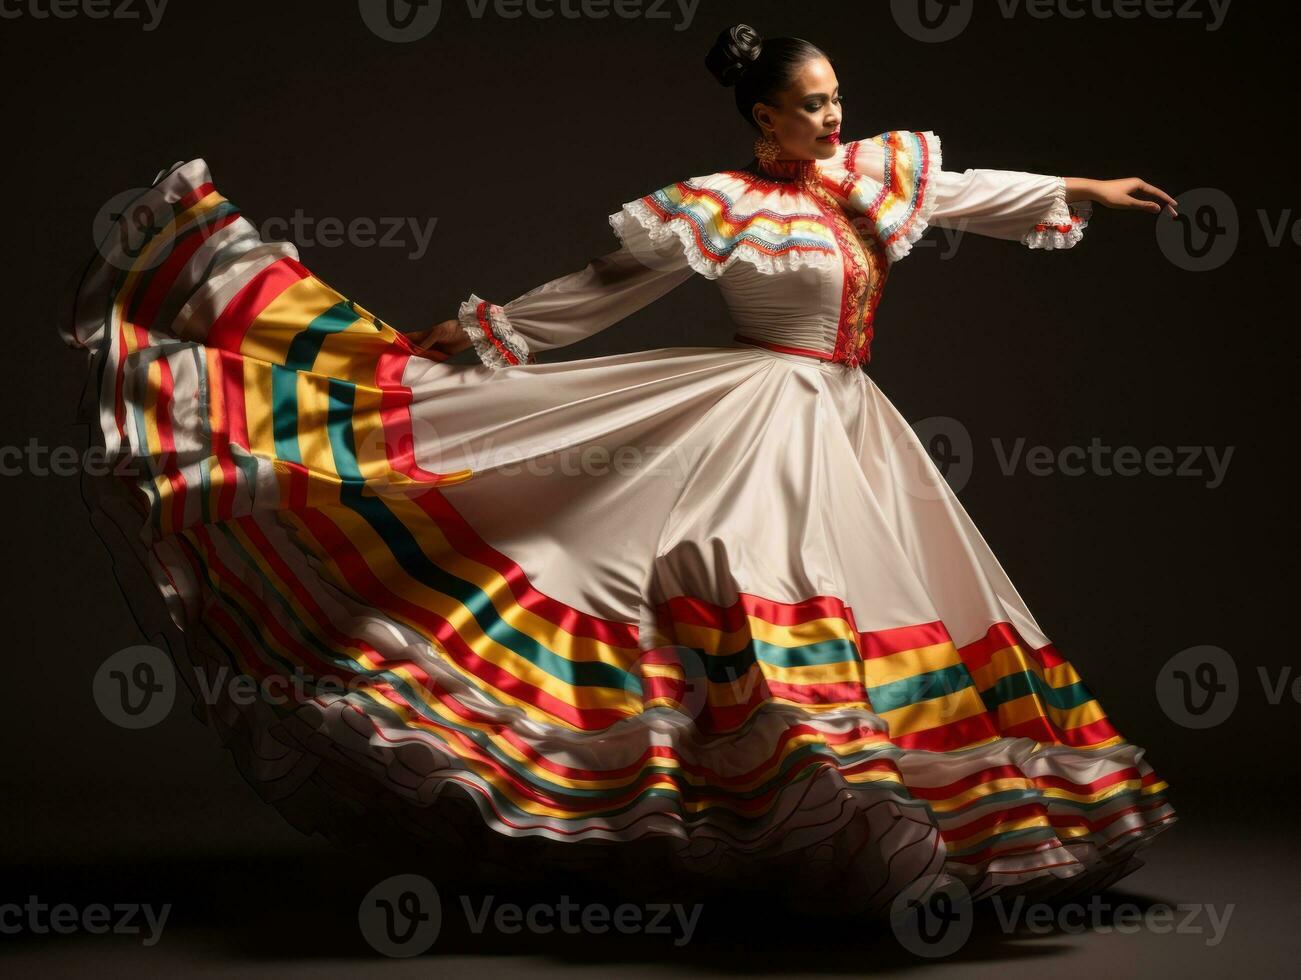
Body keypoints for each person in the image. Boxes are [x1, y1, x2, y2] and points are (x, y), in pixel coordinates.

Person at [60, 22, 1176, 914]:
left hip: (850, 424)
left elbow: (966, 188)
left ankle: (868, 820)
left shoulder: (870, 180)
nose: (836, 117)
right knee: (736, 587)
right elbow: (603, 288)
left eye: (840, 97)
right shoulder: (724, 205)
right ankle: (755, 817)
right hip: (759, 415)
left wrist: (1086, 188)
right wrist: (488, 333)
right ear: (764, 116)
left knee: (892, 596)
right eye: (814, 104)